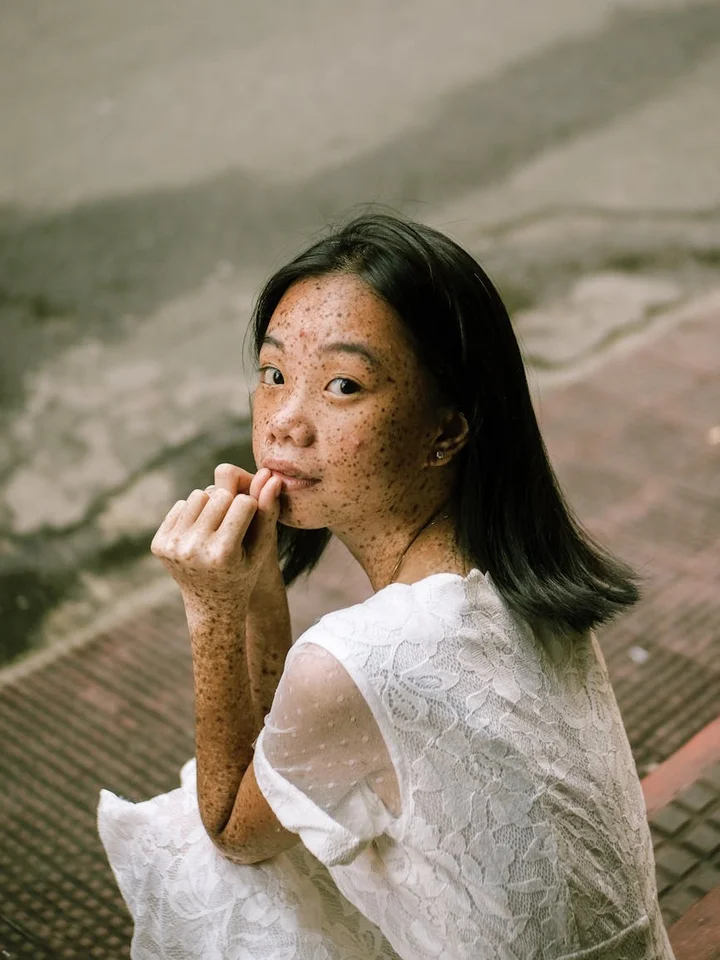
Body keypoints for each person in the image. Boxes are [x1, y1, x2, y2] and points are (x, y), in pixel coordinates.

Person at [97, 212, 676, 959]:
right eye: (274, 375)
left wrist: (213, 611)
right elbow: (290, 759)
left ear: (447, 431)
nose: (284, 424)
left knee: (201, 856)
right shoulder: (520, 578)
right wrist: (262, 589)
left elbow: (232, 832)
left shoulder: (365, 658)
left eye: (343, 385)